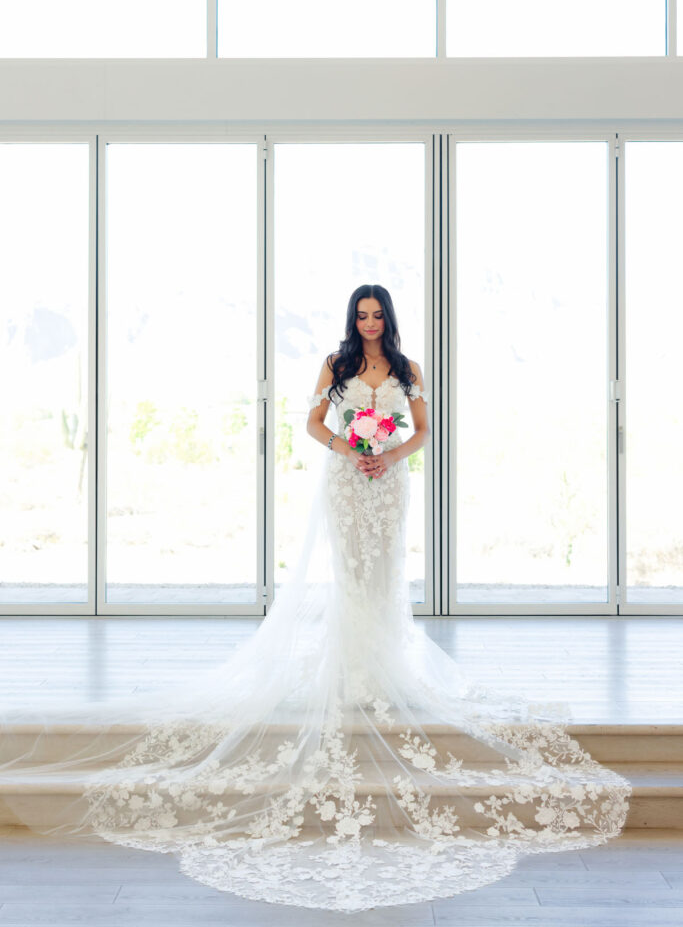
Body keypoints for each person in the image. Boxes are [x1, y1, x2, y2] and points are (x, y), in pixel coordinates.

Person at [0, 284, 631, 914]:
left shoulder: (408, 369)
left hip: (388, 485)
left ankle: (384, 666)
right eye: (362, 315)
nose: (371, 323)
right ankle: (351, 671)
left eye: (378, 315)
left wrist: (388, 453)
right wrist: (349, 447)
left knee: (383, 575)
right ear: (352, 320)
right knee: (350, 573)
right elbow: (310, 423)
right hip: (345, 480)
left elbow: (424, 431)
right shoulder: (336, 365)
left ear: (390, 319)